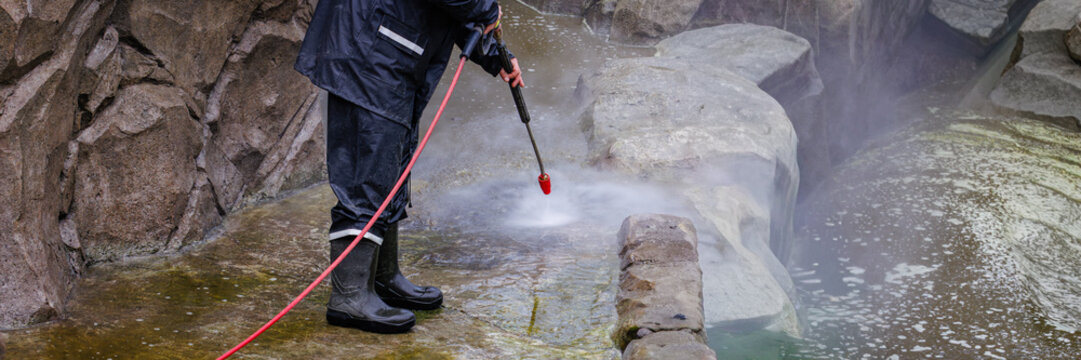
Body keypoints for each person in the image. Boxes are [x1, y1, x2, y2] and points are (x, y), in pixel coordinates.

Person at [294, 0, 524, 333]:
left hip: (394, 42)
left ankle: (382, 277)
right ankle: (350, 297)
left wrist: (490, 52)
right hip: (370, 47)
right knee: (368, 168)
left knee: (390, 159)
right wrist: (486, 9)